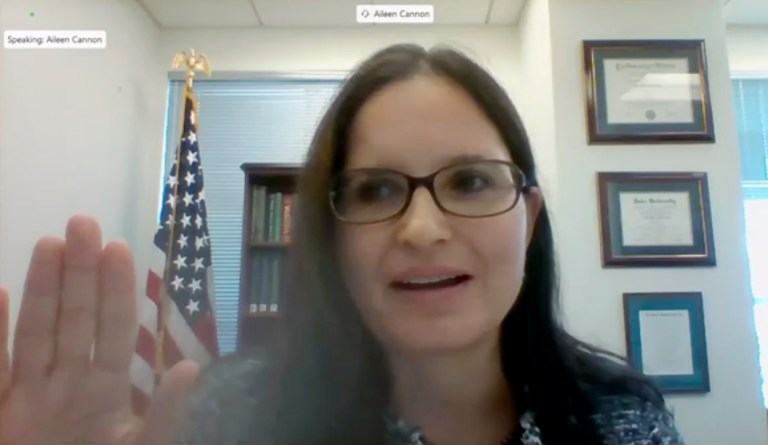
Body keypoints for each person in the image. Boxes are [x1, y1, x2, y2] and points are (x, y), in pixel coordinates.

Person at [0, 43, 684, 445]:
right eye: (376, 191)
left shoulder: (623, 421)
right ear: (331, 236)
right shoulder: (233, 422)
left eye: (472, 181)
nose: (422, 228)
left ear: (528, 220)